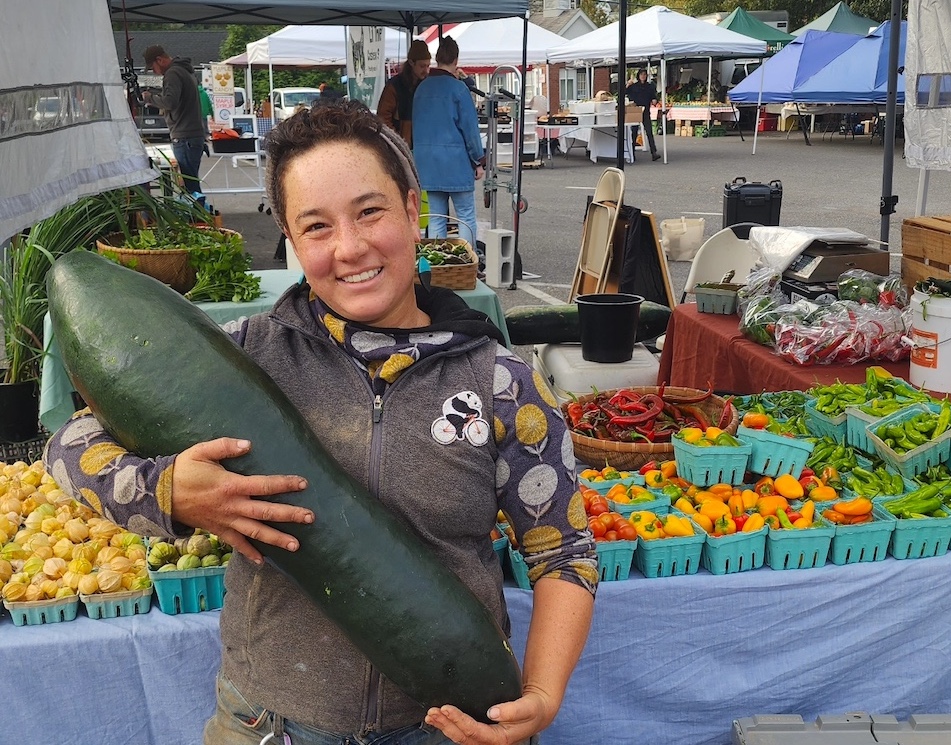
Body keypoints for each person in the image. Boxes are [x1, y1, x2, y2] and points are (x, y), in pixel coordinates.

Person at [44, 99, 596, 745]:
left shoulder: (501, 381)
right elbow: (67, 443)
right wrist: (167, 491)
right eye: (316, 226)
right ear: (290, 238)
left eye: (370, 211)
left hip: (450, 725)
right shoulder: (244, 355)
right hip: (267, 724)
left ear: (412, 208)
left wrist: (543, 692)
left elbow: (564, 551)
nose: (350, 247)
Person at [411, 36, 485, 260]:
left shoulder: (421, 88)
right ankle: (467, 262)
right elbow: (470, 130)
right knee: (465, 216)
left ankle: (437, 265)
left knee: (436, 217)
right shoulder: (459, 89)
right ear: (456, 59)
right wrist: (478, 159)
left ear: (436, 59)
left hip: (428, 164)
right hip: (456, 162)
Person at [142, 45, 206, 193]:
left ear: (160, 60)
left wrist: (150, 98)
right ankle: (197, 206)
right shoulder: (184, 70)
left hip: (184, 135)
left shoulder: (172, 73)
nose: (155, 72)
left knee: (189, 186)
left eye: (152, 68)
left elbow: (170, 102)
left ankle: (198, 208)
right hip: (192, 134)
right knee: (191, 182)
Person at [376, 39, 432, 147]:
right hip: (402, 146)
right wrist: (397, 140)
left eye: (427, 66)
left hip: (423, 145)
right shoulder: (394, 86)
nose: (426, 71)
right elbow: (383, 117)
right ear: (411, 63)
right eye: (422, 66)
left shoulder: (427, 85)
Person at [625, 68, 661, 161]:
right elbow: (624, 92)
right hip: (636, 111)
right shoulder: (634, 86)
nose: (643, 76)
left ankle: (654, 152)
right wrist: (627, 85)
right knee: (634, 132)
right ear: (638, 76)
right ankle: (632, 153)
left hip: (645, 111)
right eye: (641, 74)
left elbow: (653, 96)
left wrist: (654, 100)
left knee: (649, 132)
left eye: (644, 74)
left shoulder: (650, 86)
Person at [197, 82, 215, 156]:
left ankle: (200, 143)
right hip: (204, 114)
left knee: (197, 130)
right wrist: (212, 114)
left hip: (195, 114)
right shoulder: (204, 93)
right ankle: (206, 140)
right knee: (204, 129)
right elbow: (209, 105)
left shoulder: (193, 93)